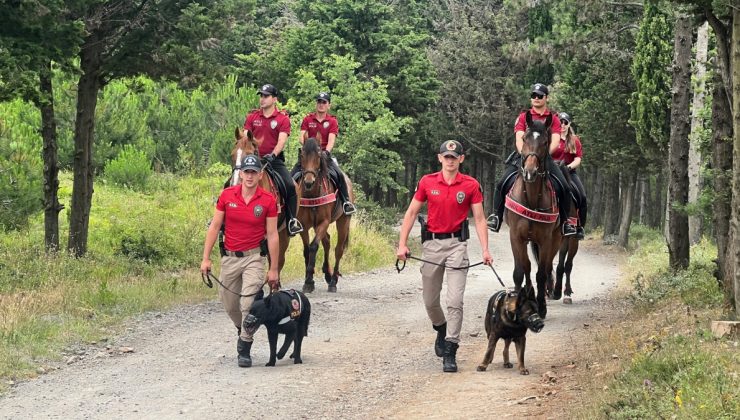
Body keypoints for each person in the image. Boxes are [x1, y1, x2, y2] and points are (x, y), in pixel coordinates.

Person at [396, 140, 493, 373]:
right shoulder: (427, 182)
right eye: (446, 156)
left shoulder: (470, 185)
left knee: (455, 301)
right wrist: (402, 245)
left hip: (457, 246)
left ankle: (450, 349)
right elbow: (411, 212)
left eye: (454, 157)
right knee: (430, 301)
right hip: (431, 245)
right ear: (440, 158)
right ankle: (441, 328)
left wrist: (486, 249)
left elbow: (479, 219)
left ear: (461, 159)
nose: (450, 160)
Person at [200, 154, 280, 368]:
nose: (250, 176)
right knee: (229, 304)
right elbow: (215, 227)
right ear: (241, 173)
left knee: (247, 304)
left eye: (254, 172)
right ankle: (243, 327)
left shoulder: (268, 200)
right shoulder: (227, 195)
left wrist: (274, 269)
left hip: (254, 257)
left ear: (260, 175)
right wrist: (206, 258)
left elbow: (272, 235)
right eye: (247, 172)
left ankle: (245, 345)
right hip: (230, 258)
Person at [487, 83, 577, 236]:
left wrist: (541, 155)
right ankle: (496, 216)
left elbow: (555, 140)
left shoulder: (553, 118)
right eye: (534, 95)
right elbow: (518, 139)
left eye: (540, 96)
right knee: (502, 183)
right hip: (523, 156)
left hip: (544, 157)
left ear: (546, 98)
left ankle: (566, 222)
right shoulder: (523, 116)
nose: (536, 98)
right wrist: (528, 155)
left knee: (564, 186)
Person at [244, 83, 303, 236]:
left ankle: (291, 221)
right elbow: (245, 137)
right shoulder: (252, 117)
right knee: (230, 181)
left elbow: (281, 141)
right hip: (253, 160)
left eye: (266, 96)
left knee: (290, 186)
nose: (262, 99)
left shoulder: (282, 119)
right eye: (261, 96)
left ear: (274, 99)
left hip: (273, 161)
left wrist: (273, 154)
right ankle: (222, 218)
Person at [294, 92, 356, 215]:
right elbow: (302, 137)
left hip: (324, 156)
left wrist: (326, 152)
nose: (321, 105)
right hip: (308, 156)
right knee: (292, 177)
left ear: (329, 105)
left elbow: (332, 139)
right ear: (316, 104)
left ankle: (346, 202)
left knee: (339, 175)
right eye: (319, 102)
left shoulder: (332, 121)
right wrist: (309, 146)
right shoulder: (307, 119)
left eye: (324, 102)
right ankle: (290, 207)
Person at [554, 112, 587, 240]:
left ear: (569, 124)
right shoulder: (552, 137)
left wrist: (568, 167)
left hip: (568, 171)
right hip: (552, 170)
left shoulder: (574, 140)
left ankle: (579, 227)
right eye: (560, 122)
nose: (562, 125)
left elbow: (578, 159)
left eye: (565, 122)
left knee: (582, 197)